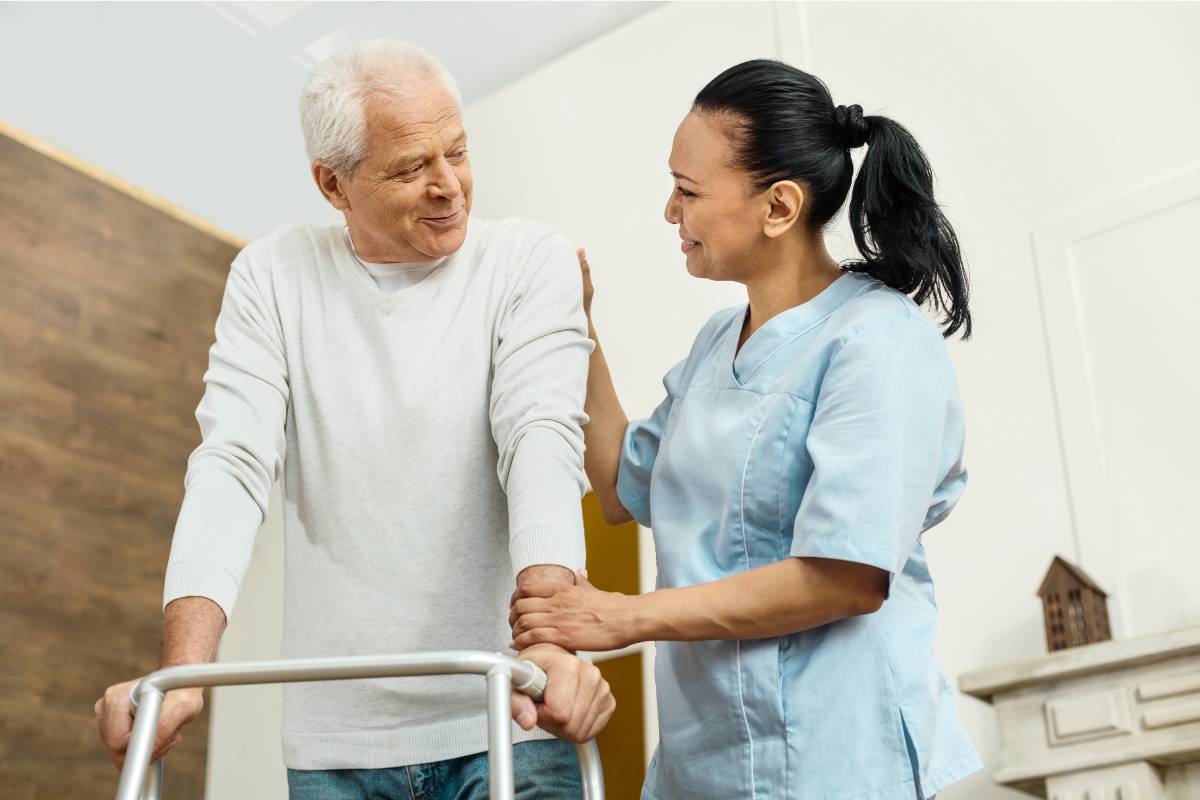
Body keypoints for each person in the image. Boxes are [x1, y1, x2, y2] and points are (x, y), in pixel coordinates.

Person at [94, 40, 613, 800]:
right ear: (333, 185)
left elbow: (540, 441)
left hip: (507, 719)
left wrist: (552, 650)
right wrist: (181, 673)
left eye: (458, 152)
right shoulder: (273, 277)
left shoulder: (528, 261)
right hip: (334, 748)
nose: (448, 186)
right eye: (412, 168)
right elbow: (230, 466)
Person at [510, 59, 980, 799]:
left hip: (838, 754)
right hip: (707, 761)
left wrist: (625, 618)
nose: (671, 212)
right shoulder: (716, 344)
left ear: (779, 206)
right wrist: (581, 324)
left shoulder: (878, 343)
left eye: (689, 192)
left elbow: (848, 576)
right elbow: (616, 490)